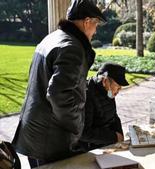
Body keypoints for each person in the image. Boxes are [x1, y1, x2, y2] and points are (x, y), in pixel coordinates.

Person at [11, 0, 107, 167]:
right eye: (96, 24)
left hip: (35, 133)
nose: (96, 30)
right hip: (51, 139)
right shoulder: (72, 47)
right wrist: (76, 127)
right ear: (87, 22)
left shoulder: (52, 38)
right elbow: (58, 94)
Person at [79, 63, 129, 151]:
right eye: (117, 87)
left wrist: (119, 135)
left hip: (106, 144)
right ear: (105, 81)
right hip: (90, 149)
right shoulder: (87, 94)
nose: (118, 91)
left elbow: (114, 116)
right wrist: (114, 137)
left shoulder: (108, 90)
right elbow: (84, 133)